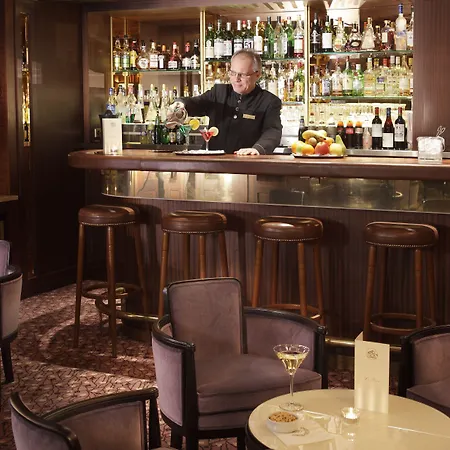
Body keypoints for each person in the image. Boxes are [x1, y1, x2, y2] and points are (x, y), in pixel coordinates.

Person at [167, 49, 282, 156]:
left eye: (242, 75)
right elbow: (196, 103)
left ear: (257, 74)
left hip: (246, 163)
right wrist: (180, 104)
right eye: (233, 73)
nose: (236, 79)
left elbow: (273, 131)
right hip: (212, 163)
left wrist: (258, 149)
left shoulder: (269, 101)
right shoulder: (219, 92)